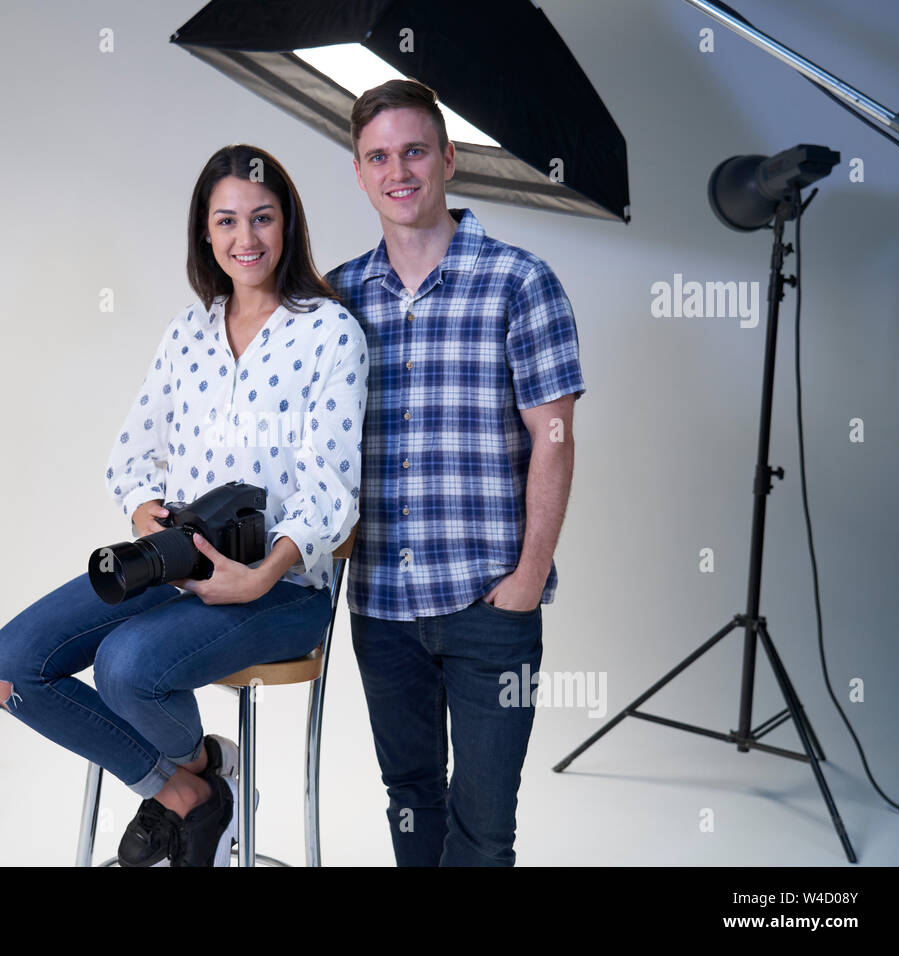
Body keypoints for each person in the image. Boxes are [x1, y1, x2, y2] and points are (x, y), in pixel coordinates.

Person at [0, 144, 367, 867]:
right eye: (226, 221)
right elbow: (129, 454)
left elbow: (331, 496)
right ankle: (192, 788)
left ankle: (193, 784)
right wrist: (142, 512)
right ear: (204, 233)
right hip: (178, 568)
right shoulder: (189, 333)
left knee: (126, 667)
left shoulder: (330, 333)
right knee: (7, 670)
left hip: (281, 588)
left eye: (262, 218)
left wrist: (257, 574)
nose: (245, 239)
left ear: (289, 226)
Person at [325, 79, 586, 866]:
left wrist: (527, 576)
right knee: (410, 798)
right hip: (381, 607)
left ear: (447, 158)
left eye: (413, 151)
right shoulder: (337, 298)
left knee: (483, 827)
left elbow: (557, 434)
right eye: (378, 156)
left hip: (489, 604)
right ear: (360, 173)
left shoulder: (519, 281)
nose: (397, 170)